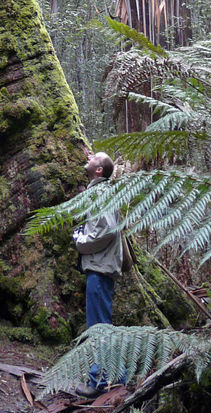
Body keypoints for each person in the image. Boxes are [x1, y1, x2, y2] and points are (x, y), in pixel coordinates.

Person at [72, 151, 123, 398]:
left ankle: (99, 382)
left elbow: (107, 231)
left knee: (98, 329)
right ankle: (119, 376)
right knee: (103, 324)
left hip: (100, 269)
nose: (89, 158)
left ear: (99, 171)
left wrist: (81, 241)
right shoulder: (102, 191)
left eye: (94, 159)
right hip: (101, 268)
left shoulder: (102, 193)